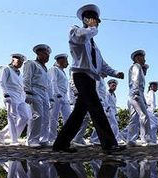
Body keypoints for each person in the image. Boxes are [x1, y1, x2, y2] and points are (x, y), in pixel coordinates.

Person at [53, 4, 125, 153]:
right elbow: (81, 37)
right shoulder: (75, 31)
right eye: (94, 20)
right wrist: (91, 28)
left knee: (79, 113)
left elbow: (101, 64)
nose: (97, 24)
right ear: (86, 19)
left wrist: (115, 73)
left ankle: (60, 144)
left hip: (90, 78)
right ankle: (109, 144)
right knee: (97, 109)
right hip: (81, 76)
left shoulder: (93, 44)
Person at [0, 54, 31, 145]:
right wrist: (5, 94)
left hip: (20, 97)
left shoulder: (20, 74)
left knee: (25, 117)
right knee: (12, 117)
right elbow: (1, 81)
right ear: (12, 60)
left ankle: (2, 134)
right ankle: (14, 140)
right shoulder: (6, 68)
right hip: (10, 94)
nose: (20, 64)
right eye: (19, 61)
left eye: (22, 62)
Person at [23, 44, 53, 147]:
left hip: (44, 92)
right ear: (38, 53)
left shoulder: (45, 69)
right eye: (45, 53)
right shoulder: (31, 63)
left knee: (46, 117)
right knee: (37, 115)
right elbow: (27, 78)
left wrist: (51, 98)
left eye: (48, 54)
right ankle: (32, 140)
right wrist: (27, 92)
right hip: (34, 90)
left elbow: (48, 85)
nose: (47, 56)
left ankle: (43, 139)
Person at [126, 50, 153, 146]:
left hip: (133, 93)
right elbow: (135, 79)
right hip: (136, 93)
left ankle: (130, 140)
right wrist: (136, 93)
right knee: (144, 116)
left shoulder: (135, 67)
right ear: (137, 58)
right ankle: (146, 140)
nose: (144, 60)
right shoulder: (136, 66)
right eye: (143, 57)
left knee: (133, 118)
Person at [48, 53, 71, 144]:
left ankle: (66, 138)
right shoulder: (54, 69)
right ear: (61, 60)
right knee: (54, 117)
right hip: (56, 95)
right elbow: (53, 81)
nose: (68, 63)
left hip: (64, 96)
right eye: (66, 61)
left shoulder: (62, 71)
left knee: (68, 117)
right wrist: (57, 94)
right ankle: (52, 138)